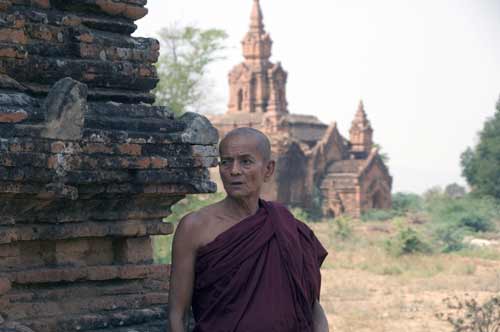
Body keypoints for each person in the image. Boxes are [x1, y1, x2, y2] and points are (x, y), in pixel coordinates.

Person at [169, 127, 329, 332]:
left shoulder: (289, 229)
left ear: (268, 170)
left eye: (246, 161)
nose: (234, 170)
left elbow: (313, 308)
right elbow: (177, 314)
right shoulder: (194, 227)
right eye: (226, 162)